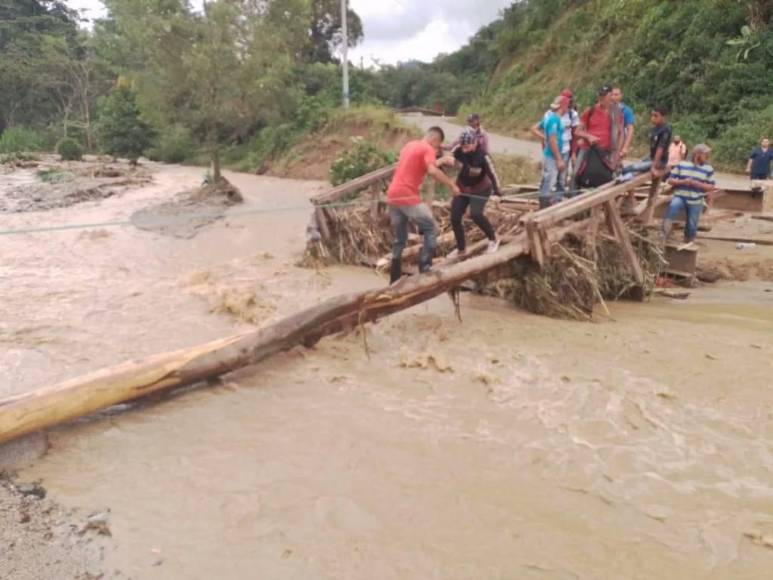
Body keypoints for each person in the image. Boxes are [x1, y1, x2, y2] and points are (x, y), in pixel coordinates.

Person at [387, 127, 460, 284]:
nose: (436, 149)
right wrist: (452, 185)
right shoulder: (428, 148)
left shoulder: (410, 145)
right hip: (408, 196)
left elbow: (420, 167)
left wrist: (440, 160)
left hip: (393, 195)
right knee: (430, 228)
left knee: (400, 239)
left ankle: (394, 277)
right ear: (435, 140)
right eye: (437, 146)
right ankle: (425, 267)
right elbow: (432, 172)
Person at [447, 128, 502, 258]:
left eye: (467, 147)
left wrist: (497, 191)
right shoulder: (458, 149)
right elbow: (447, 155)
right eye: (463, 146)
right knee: (455, 216)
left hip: (481, 188)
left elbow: (493, 174)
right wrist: (446, 159)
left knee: (476, 214)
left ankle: (493, 238)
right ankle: (461, 248)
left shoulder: (483, 155)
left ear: (475, 143)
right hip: (462, 187)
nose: (464, 149)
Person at [662, 144, 716, 245]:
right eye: (705, 154)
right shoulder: (682, 164)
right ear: (697, 154)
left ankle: (688, 240)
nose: (707, 157)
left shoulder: (708, 169)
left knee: (692, 223)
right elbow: (670, 180)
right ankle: (664, 235)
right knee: (672, 209)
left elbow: (711, 187)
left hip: (696, 199)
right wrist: (682, 182)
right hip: (680, 196)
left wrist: (697, 184)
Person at [574, 84, 623, 190]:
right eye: (600, 96)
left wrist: (618, 153)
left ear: (610, 96)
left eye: (604, 96)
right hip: (589, 150)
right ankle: (573, 197)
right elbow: (577, 131)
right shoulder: (590, 111)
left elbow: (620, 133)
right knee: (577, 175)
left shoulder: (616, 112)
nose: (601, 98)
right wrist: (588, 136)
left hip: (607, 152)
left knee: (607, 179)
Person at [533, 95, 568, 208]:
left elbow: (535, 129)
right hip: (552, 155)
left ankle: (544, 206)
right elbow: (552, 140)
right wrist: (559, 159)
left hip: (551, 154)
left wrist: (544, 137)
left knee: (547, 180)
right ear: (563, 106)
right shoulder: (554, 120)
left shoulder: (550, 117)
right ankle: (544, 208)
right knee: (550, 181)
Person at [612, 86, 635, 160]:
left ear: (621, 95)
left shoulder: (626, 110)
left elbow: (630, 129)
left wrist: (625, 147)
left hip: (619, 141)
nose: (613, 97)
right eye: (612, 94)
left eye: (616, 94)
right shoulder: (605, 108)